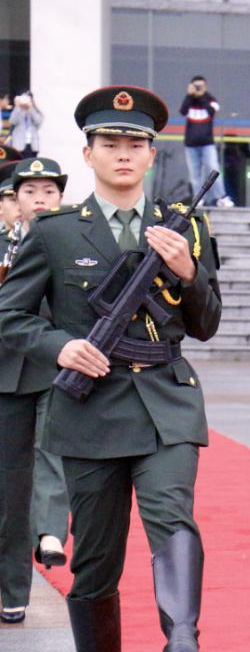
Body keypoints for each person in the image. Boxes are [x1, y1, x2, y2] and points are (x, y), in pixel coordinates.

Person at [0, 85, 222, 650]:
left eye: (135, 144)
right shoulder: (54, 232)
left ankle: (182, 638)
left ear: (151, 155)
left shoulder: (186, 228)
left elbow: (206, 324)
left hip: (166, 403)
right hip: (89, 411)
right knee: (96, 561)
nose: (123, 154)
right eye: (110, 143)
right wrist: (59, 347)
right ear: (88, 154)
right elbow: (10, 316)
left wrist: (189, 273)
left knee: (172, 517)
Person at [0, 158, 71, 626]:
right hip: (6, 373)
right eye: (30, 192)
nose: (40, 199)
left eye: (49, 191)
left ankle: (50, 534)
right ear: (14, 200)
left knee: (50, 453)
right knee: (10, 486)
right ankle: (11, 590)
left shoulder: (72, 242)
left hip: (54, 368)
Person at [178, 77, 233, 208]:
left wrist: (202, 96)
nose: (198, 88)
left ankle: (221, 197)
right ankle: (198, 199)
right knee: (194, 174)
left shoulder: (210, 99)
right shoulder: (189, 100)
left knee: (213, 168)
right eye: (196, 86)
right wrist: (189, 95)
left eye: (200, 86)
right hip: (191, 144)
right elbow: (183, 111)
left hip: (207, 143)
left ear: (205, 87)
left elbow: (211, 112)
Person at [7, 92, 42, 159]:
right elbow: (12, 121)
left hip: (32, 146)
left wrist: (31, 108)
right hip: (19, 145)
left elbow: (38, 122)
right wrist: (17, 107)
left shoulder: (34, 111)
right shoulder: (18, 111)